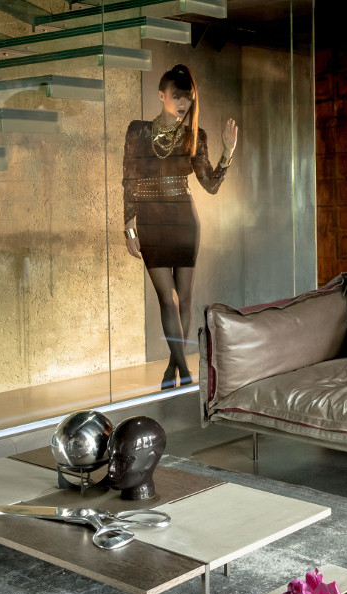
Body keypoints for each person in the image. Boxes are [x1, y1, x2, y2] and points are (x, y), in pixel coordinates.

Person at [122, 63, 238, 390]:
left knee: (185, 299)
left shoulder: (194, 136)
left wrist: (228, 151)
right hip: (150, 220)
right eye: (177, 96)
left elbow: (210, 184)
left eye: (188, 97)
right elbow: (128, 179)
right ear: (162, 95)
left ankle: (174, 367)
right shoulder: (138, 131)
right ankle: (184, 369)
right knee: (168, 299)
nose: (183, 103)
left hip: (184, 220)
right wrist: (129, 228)